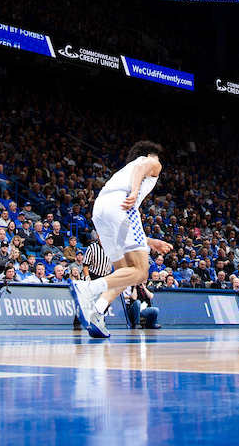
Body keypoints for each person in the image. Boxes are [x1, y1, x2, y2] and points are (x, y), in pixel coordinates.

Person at [68, 141, 173, 339]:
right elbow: (142, 168)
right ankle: (87, 289)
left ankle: (96, 312)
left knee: (125, 273)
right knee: (141, 273)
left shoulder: (123, 172)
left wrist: (149, 242)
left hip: (100, 208)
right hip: (122, 204)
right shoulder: (150, 162)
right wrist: (134, 192)